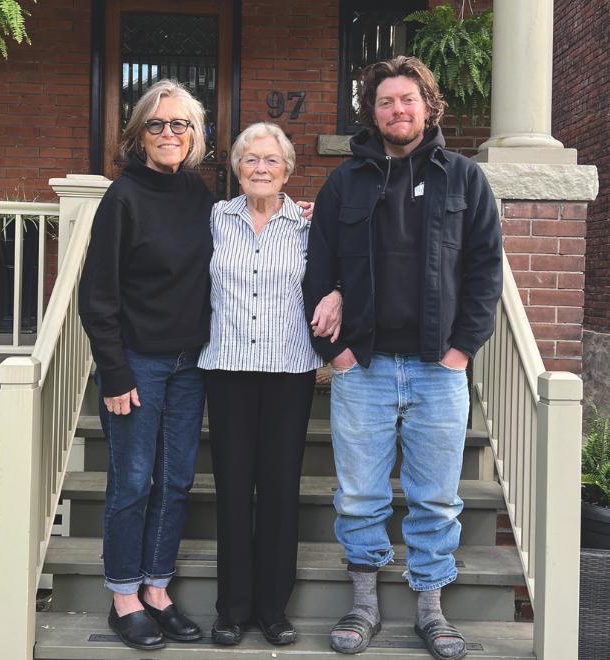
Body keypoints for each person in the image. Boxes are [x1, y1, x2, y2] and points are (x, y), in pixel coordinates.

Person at [303, 56, 502, 660]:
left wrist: (460, 352)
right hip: (361, 367)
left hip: (436, 369)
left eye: (407, 100)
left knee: (436, 497)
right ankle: (363, 604)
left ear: (427, 106)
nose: (398, 110)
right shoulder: (345, 183)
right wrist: (334, 354)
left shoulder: (465, 179)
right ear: (373, 111)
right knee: (360, 495)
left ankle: (430, 609)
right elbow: (316, 269)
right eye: (386, 101)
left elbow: (485, 272)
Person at [78, 79, 212, 651]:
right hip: (138, 363)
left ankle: (157, 590)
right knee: (132, 483)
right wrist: (114, 372)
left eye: (179, 124)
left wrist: (289, 212)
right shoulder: (122, 198)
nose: (169, 134)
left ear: (194, 135)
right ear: (138, 135)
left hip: (191, 364)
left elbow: (240, 239)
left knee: (176, 481)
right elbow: (97, 296)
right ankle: (124, 598)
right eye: (156, 125)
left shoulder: (201, 196)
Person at [198, 122, 340, 647]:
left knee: (280, 489)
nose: (260, 168)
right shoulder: (214, 219)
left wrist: (340, 295)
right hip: (227, 367)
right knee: (233, 489)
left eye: (271, 160)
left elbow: (338, 271)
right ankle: (232, 609)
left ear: (287, 171)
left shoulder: (308, 226)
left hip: (289, 369)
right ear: (237, 169)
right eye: (251, 159)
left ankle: (273, 610)